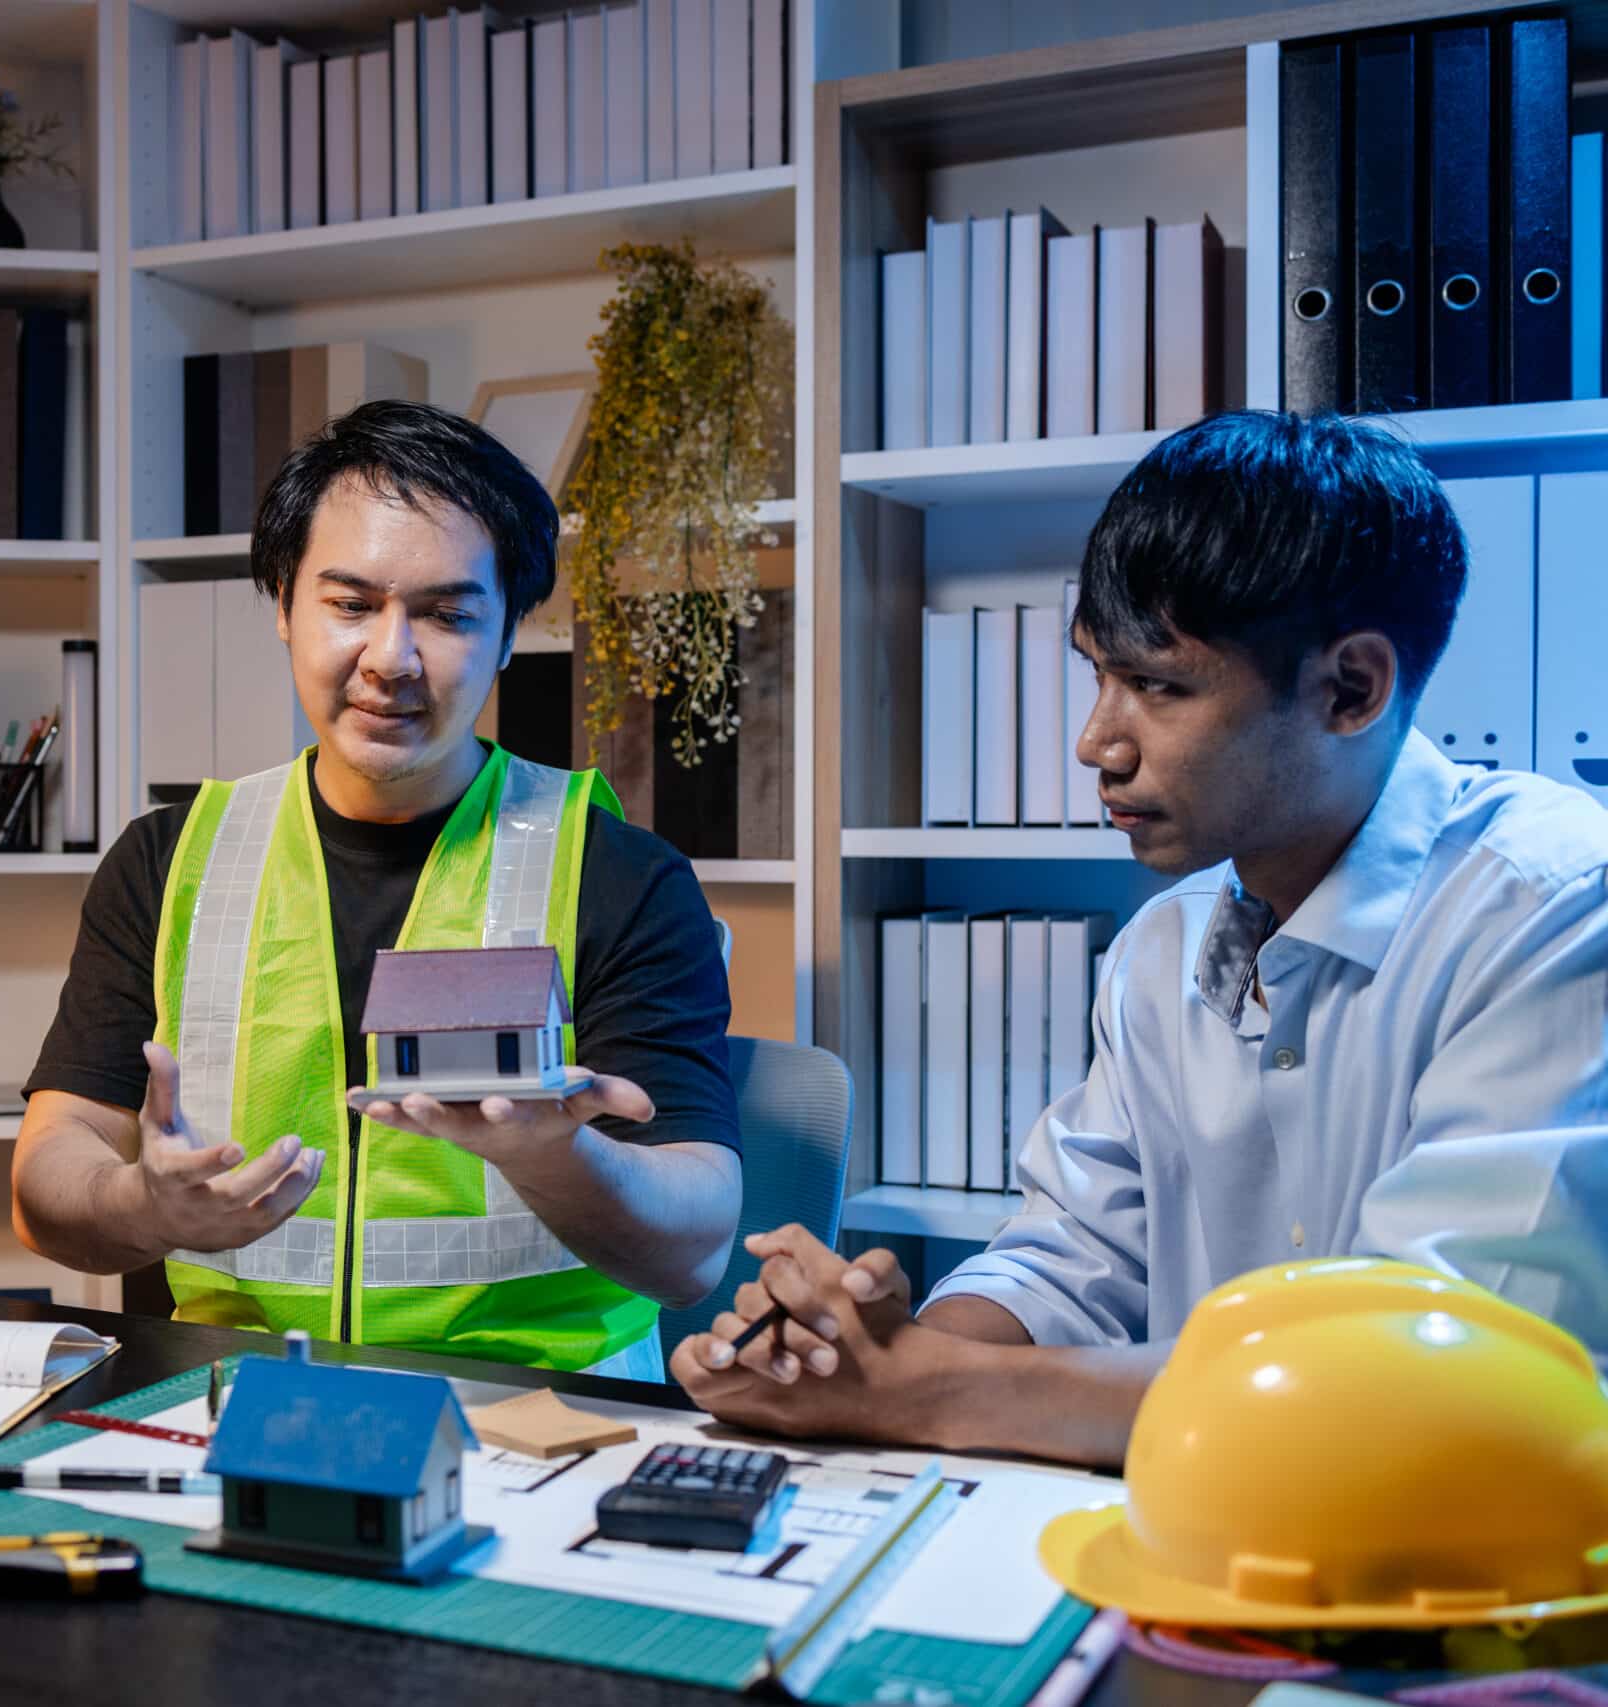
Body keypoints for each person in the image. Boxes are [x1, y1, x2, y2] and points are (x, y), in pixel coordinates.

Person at [674, 411, 1608, 1465]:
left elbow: (1422, 1372)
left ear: (1351, 687)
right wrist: (864, 1354)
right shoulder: (1161, 948)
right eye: (1097, 674)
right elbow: (1070, 1256)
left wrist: (921, 1392)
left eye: (1159, 687)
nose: (1095, 744)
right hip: (1204, 1531)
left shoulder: (1559, 908)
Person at [11, 400, 742, 1380]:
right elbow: (48, 1177)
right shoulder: (169, 861)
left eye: (446, 614)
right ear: (282, 605)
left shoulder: (618, 873)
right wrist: (145, 1204)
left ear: (507, 634)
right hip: (242, 1408)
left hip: (547, 1433)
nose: (391, 657)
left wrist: (552, 1158)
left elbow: (695, 1250)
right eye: (350, 603)